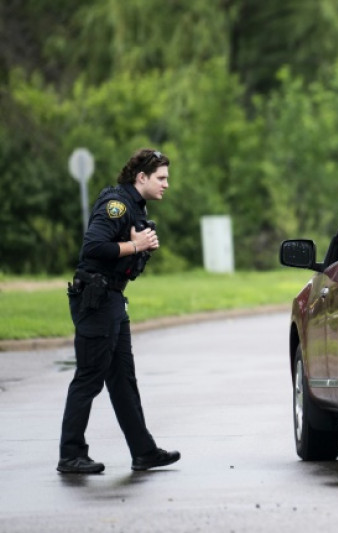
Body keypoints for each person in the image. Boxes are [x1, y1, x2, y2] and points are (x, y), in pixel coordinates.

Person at [57, 148, 180, 474]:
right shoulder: (117, 205)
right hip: (96, 301)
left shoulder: (135, 207)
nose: (167, 184)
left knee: (123, 380)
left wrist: (139, 246)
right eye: (161, 178)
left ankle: (144, 452)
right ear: (142, 177)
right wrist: (136, 246)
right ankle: (71, 455)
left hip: (112, 300)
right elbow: (93, 246)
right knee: (88, 378)